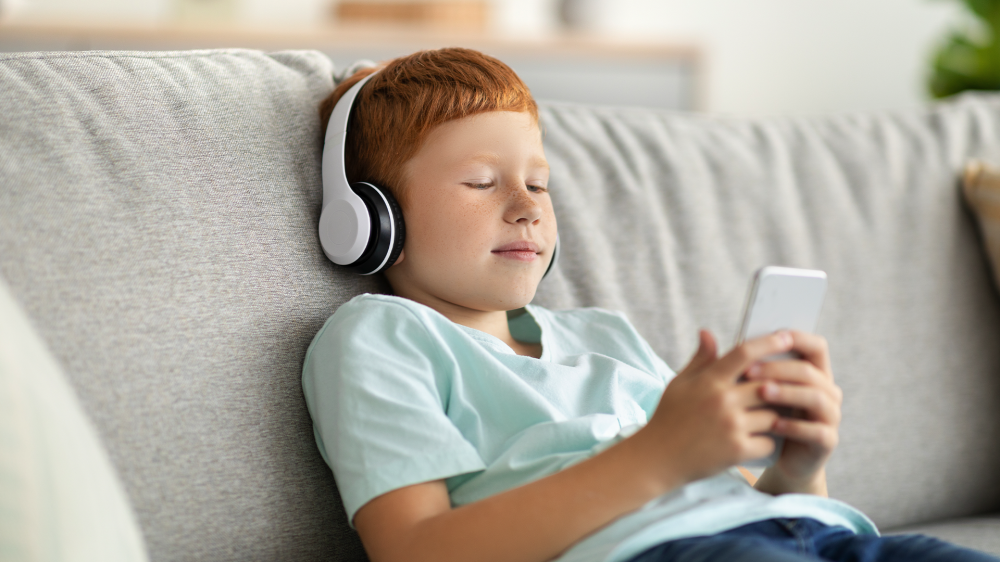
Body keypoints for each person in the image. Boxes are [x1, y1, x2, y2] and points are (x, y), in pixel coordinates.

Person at [301, 47, 1000, 562]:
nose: (525, 209)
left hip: (807, 535)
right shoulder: (380, 336)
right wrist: (661, 455)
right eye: (482, 181)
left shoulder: (603, 333)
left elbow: (732, 496)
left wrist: (797, 466)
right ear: (370, 219)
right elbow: (416, 550)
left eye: (540, 186)